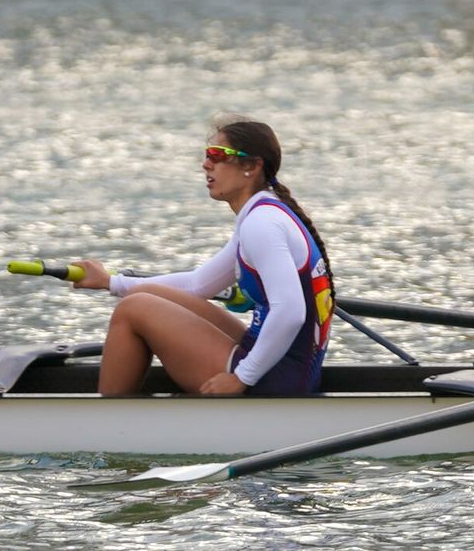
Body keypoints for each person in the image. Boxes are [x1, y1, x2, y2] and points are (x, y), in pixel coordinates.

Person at [73, 115, 334, 396]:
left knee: (132, 309)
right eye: (207, 155)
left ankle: (108, 423)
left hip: (274, 379)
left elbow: (291, 311)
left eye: (218, 155)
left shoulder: (262, 225)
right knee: (148, 293)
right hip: (279, 364)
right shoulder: (264, 214)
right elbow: (198, 284)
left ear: (252, 166)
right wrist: (111, 282)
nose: (206, 164)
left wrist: (242, 377)